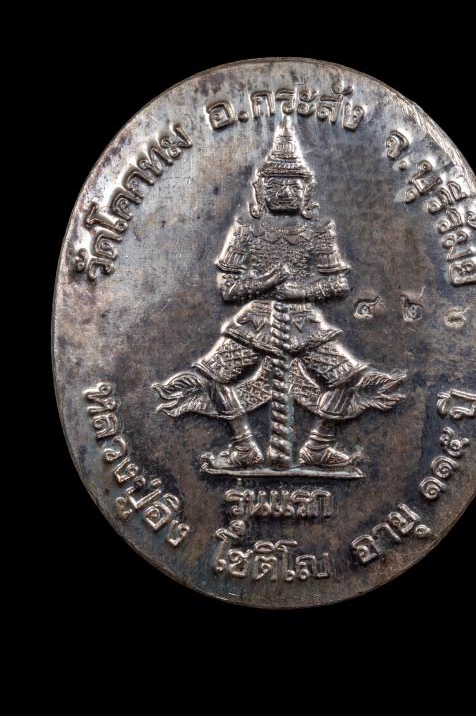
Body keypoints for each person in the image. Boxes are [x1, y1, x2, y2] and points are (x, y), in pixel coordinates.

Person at [154, 118, 405, 471]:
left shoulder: (318, 230)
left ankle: (318, 446)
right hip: (254, 323)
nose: (285, 191)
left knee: (348, 379)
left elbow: (337, 284)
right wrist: (266, 282)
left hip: (304, 323)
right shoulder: (247, 229)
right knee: (211, 378)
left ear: (307, 190)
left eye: (292, 184)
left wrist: (297, 290)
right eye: (276, 184)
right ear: (260, 189)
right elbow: (227, 288)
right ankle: (244, 446)